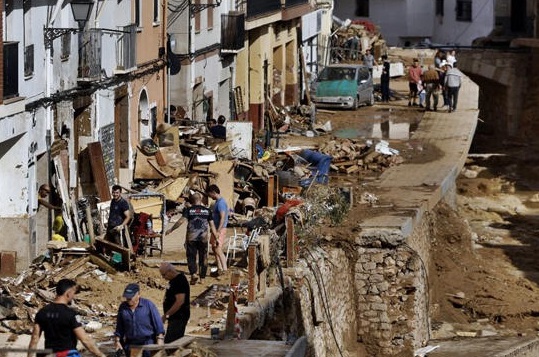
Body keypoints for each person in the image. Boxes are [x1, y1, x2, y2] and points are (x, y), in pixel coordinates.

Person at [27, 279, 107, 357]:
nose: (74, 296)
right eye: (74, 293)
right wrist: (100, 355)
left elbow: (34, 338)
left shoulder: (42, 312)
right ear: (68, 293)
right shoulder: (70, 314)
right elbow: (84, 339)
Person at [166, 193, 218, 284]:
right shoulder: (207, 210)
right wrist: (216, 237)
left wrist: (171, 229)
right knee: (204, 257)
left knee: (191, 257)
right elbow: (212, 225)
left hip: (191, 238)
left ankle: (194, 274)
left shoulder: (189, 210)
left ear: (192, 201)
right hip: (203, 238)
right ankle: (202, 278)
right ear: (201, 199)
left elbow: (181, 221)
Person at [114, 283, 165, 357]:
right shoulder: (123, 307)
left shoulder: (148, 305)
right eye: (127, 297)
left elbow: (158, 324)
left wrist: (160, 339)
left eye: (130, 297)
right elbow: (119, 327)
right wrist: (117, 341)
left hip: (148, 344)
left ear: (138, 295)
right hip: (131, 344)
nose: (128, 299)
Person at [159, 263, 191, 345]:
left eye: (164, 275)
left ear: (170, 271)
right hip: (174, 317)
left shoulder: (179, 281)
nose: (163, 277)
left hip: (179, 317)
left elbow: (179, 301)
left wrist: (167, 315)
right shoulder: (173, 280)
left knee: (171, 343)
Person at [207, 184, 228, 276]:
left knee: (218, 248)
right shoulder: (217, 202)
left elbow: (222, 217)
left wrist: (218, 231)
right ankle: (219, 267)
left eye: (210, 194)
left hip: (219, 229)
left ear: (213, 193)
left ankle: (224, 269)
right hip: (215, 229)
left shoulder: (221, 203)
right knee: (214, 248)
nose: (210, 197)